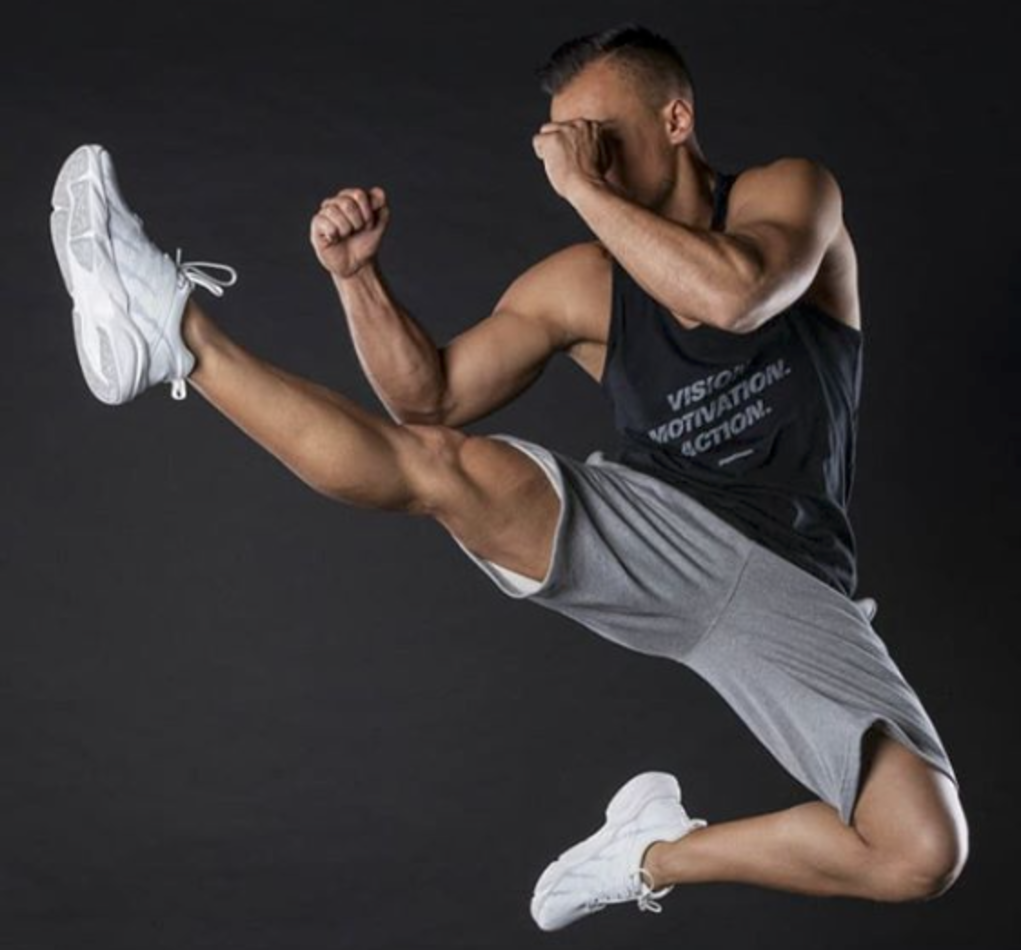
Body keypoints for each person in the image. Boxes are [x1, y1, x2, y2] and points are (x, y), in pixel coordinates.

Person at [49, 19, 968, 934]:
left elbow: (735, 297)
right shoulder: (582, 285)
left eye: (600, 137)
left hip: (793, 587)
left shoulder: (788, 192)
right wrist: (358, 280)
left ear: (676, 119)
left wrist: (580, 186)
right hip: (660, 531)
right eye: (564, 143)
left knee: (920, 852)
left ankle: (648, 852)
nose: (584, 161)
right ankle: (174, 332)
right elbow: (430, 398)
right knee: (444, 469)